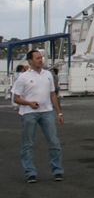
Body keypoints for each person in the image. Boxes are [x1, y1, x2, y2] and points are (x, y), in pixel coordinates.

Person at [12, 50, 64, 183]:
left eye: (41, 58)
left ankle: (57, 170)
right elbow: (16, 98)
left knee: (54, 142)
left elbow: (53, 94)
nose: (40, 60)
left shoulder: (48, 75)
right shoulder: (22, 78)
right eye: (37, 58)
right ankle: (30, 172)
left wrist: (59, 112)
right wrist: (28, 103)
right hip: (29, 113)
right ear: (30, 61)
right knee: (28, 144)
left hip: (46, 112)